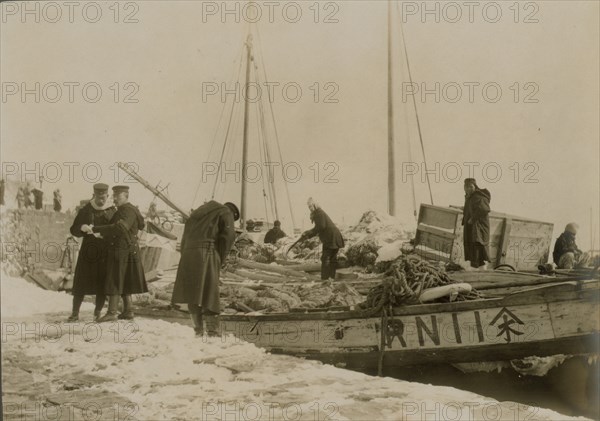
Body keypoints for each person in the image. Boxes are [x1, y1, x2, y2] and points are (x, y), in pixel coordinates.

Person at [171, 200, 239, 337]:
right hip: (206, 252)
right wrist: (220, 258)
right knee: (210, 291)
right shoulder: (226, 212)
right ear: (233, 213)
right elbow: (228, 237)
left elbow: (185, 237)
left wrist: (186, 254)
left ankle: (198, 330)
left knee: (194, 293)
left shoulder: (198, 211)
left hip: (189, 253)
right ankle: (213, 331)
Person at [84, 185, 148, 322]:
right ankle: (128, 311)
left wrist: (95, 228)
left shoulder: (127, 210)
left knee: (115, 278)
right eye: (114, 196)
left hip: (121, 250)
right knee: (124, 279)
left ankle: (112, 312)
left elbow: (121, 227)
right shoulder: (128, 210)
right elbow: (140, 225)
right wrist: (103, 235)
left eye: (117, 196)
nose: (114, 199)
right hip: (125, 249)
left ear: (126, 196)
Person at [67, 183, 117, 321]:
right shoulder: (86, 210)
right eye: (98, 197)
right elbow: (73, 229)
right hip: (88, 251)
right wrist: (82, 227)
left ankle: (98, 312)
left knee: (102, 282)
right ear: (94, 195)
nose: (101, 200)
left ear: (107, 196)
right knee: (81, 281)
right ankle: (75, 313)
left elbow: (117, 230)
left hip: (105, 251)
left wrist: (106, 234)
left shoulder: (113, 210)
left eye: (104, 197)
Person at [301, 198, 344, 280]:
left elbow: (321, 226)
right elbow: (319, 227)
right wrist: (308, 234)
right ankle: (331, 278)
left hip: (330, 238)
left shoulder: (318, 213)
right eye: (308, 207)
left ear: (315, 205)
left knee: (326, 258)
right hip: (334, 237)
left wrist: (309, 233)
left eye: (311, 206)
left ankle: (324, 279)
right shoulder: (320, 213)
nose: (310, 208)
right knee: (332, 259)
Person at [462, 178, 491, 268]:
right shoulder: (470, 197)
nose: (468, 189)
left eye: (471, 187)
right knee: (472, 247)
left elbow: (484, 209)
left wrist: (472, 219)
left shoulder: (479, 196)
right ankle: (476, 268)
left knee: (478, 247)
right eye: (466, 187)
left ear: (475, 187)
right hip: (473, 227)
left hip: (480, 228)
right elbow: (472, 208)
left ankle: (481, 270)